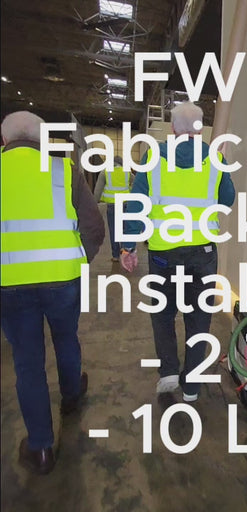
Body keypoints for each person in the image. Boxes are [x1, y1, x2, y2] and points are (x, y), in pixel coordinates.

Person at [0, 111, 105, 474]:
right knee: (66, 337)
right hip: (62, 279)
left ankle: (41, 447)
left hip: (9, 284)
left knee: (27, 361)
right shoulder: (63, 171)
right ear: (43, 140)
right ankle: (71, 397)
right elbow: (94, 226)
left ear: (4, 140)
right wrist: (79, 259)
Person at [120, 102, 235, 402]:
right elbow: (227, 200)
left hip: (163, 255)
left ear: (172, 128)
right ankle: (192, 387)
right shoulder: (215, 158)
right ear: (200, 128)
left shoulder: (153, 157)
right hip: (202, 254)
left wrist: (128, 246)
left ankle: (169, 373)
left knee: (163, 315)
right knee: (199, 319)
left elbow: (137, 205)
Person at [93, 155, 131, 261]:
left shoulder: (105, 172)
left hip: (112, 206)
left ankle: (115, 255)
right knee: (124, 230)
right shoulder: (127, 172)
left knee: (113, 230)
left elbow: (98, 190)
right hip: (125, 204)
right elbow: (135, 183)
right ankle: (124, 252)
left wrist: (94, 204)